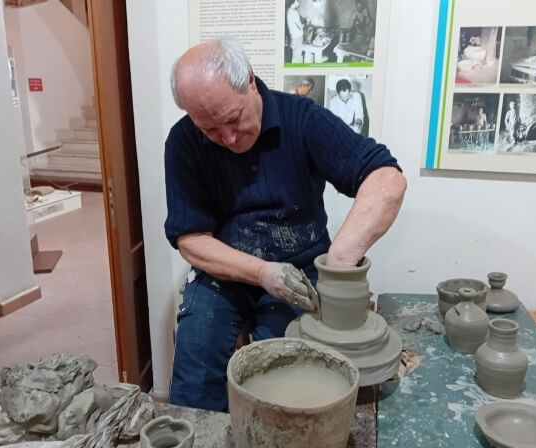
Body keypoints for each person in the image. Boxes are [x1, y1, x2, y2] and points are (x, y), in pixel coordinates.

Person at [165, 38, 406, 411]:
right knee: (196, 357)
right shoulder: (183, 141)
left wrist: (339, 261)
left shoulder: (302, 120)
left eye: (232, 119)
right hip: (225, 270)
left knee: (284, 368)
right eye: (210, 130)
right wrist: (261, 272)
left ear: (249, 81)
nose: (227, 139)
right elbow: (191, 239)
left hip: (303, 269)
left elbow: (386, 179)